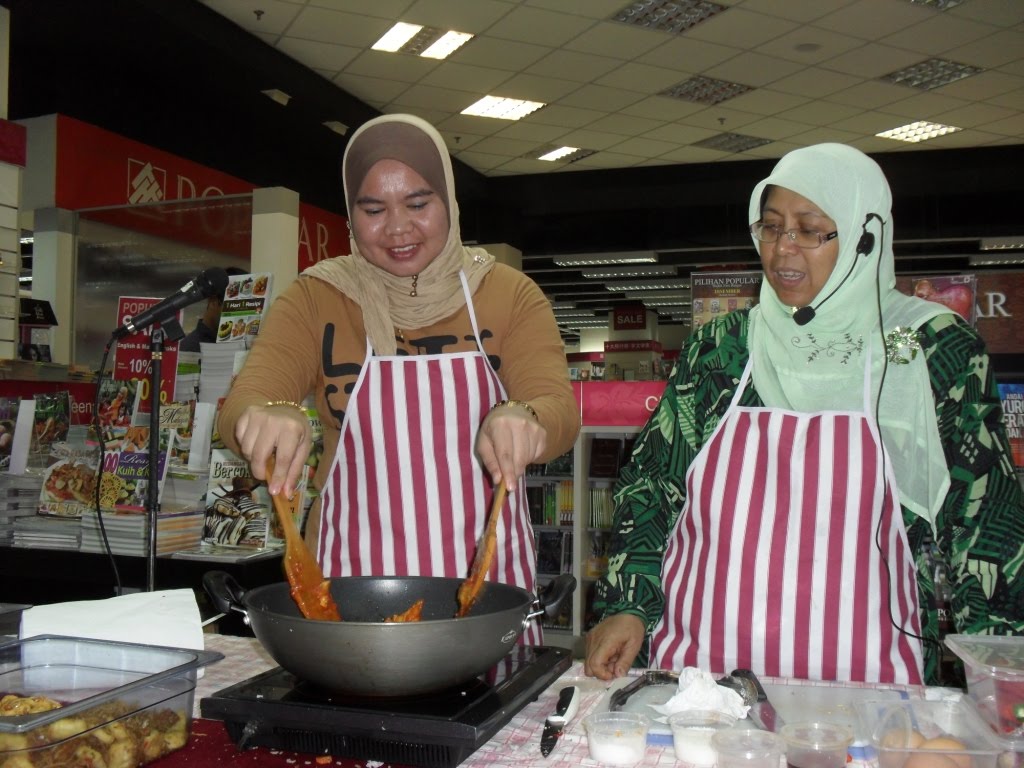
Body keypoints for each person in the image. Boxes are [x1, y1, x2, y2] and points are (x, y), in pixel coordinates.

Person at [584, 143, 1024, 686]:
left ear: (867, 237)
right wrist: (629, 603)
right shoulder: (724, 348)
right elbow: (650, 488)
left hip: (869, 690)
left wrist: (1002, 677)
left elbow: (987, 528)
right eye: (770, 227)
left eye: (810, 229)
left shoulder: (924, 347)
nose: (783, 249)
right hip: (702, 683)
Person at [217, 113, 579, 638]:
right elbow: (243, 402)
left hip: (487, 596)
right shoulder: (318, 297)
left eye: (418, 203)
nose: (398, 228)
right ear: (349, 214)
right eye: (373, 209)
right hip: (348, 592)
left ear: (449, 203)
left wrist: (527, 416)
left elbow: (559, 409)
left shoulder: (507, 295)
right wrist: (260, 416)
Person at [179, 266, 247, 351]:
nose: (241, 317)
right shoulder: (190, 349)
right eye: (234, 307)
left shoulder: (247, 346)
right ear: (214, 301)